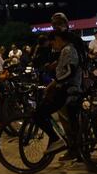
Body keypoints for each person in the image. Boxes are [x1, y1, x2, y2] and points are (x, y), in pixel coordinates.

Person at [30, 30, 84, 158]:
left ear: (58, 38)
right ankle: (78, 150)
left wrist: (53, 84)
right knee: (72, 122)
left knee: (38, 114)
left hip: (68, 89)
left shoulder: (68, 50)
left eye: (53, 42)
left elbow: (70, 71)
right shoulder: (66, 50)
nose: (52, 46)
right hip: (65, 88)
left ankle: (56, 139)